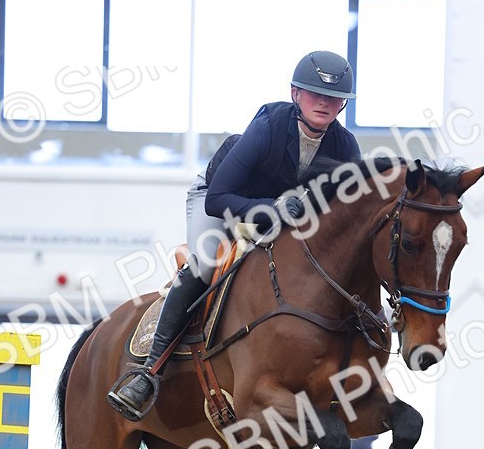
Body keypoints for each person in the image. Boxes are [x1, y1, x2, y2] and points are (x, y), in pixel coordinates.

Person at [107, 50, 361, 422]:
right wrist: (273, 208)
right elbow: (218, 198)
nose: (323, 102)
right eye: (314, 93)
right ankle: (148, 373)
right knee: (206, 263)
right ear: (295, 94)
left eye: (333, 97)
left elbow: (346, 219)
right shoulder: (269, 126)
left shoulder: (345, 148)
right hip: (221, 203)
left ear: (342, 105)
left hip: (283, 222)